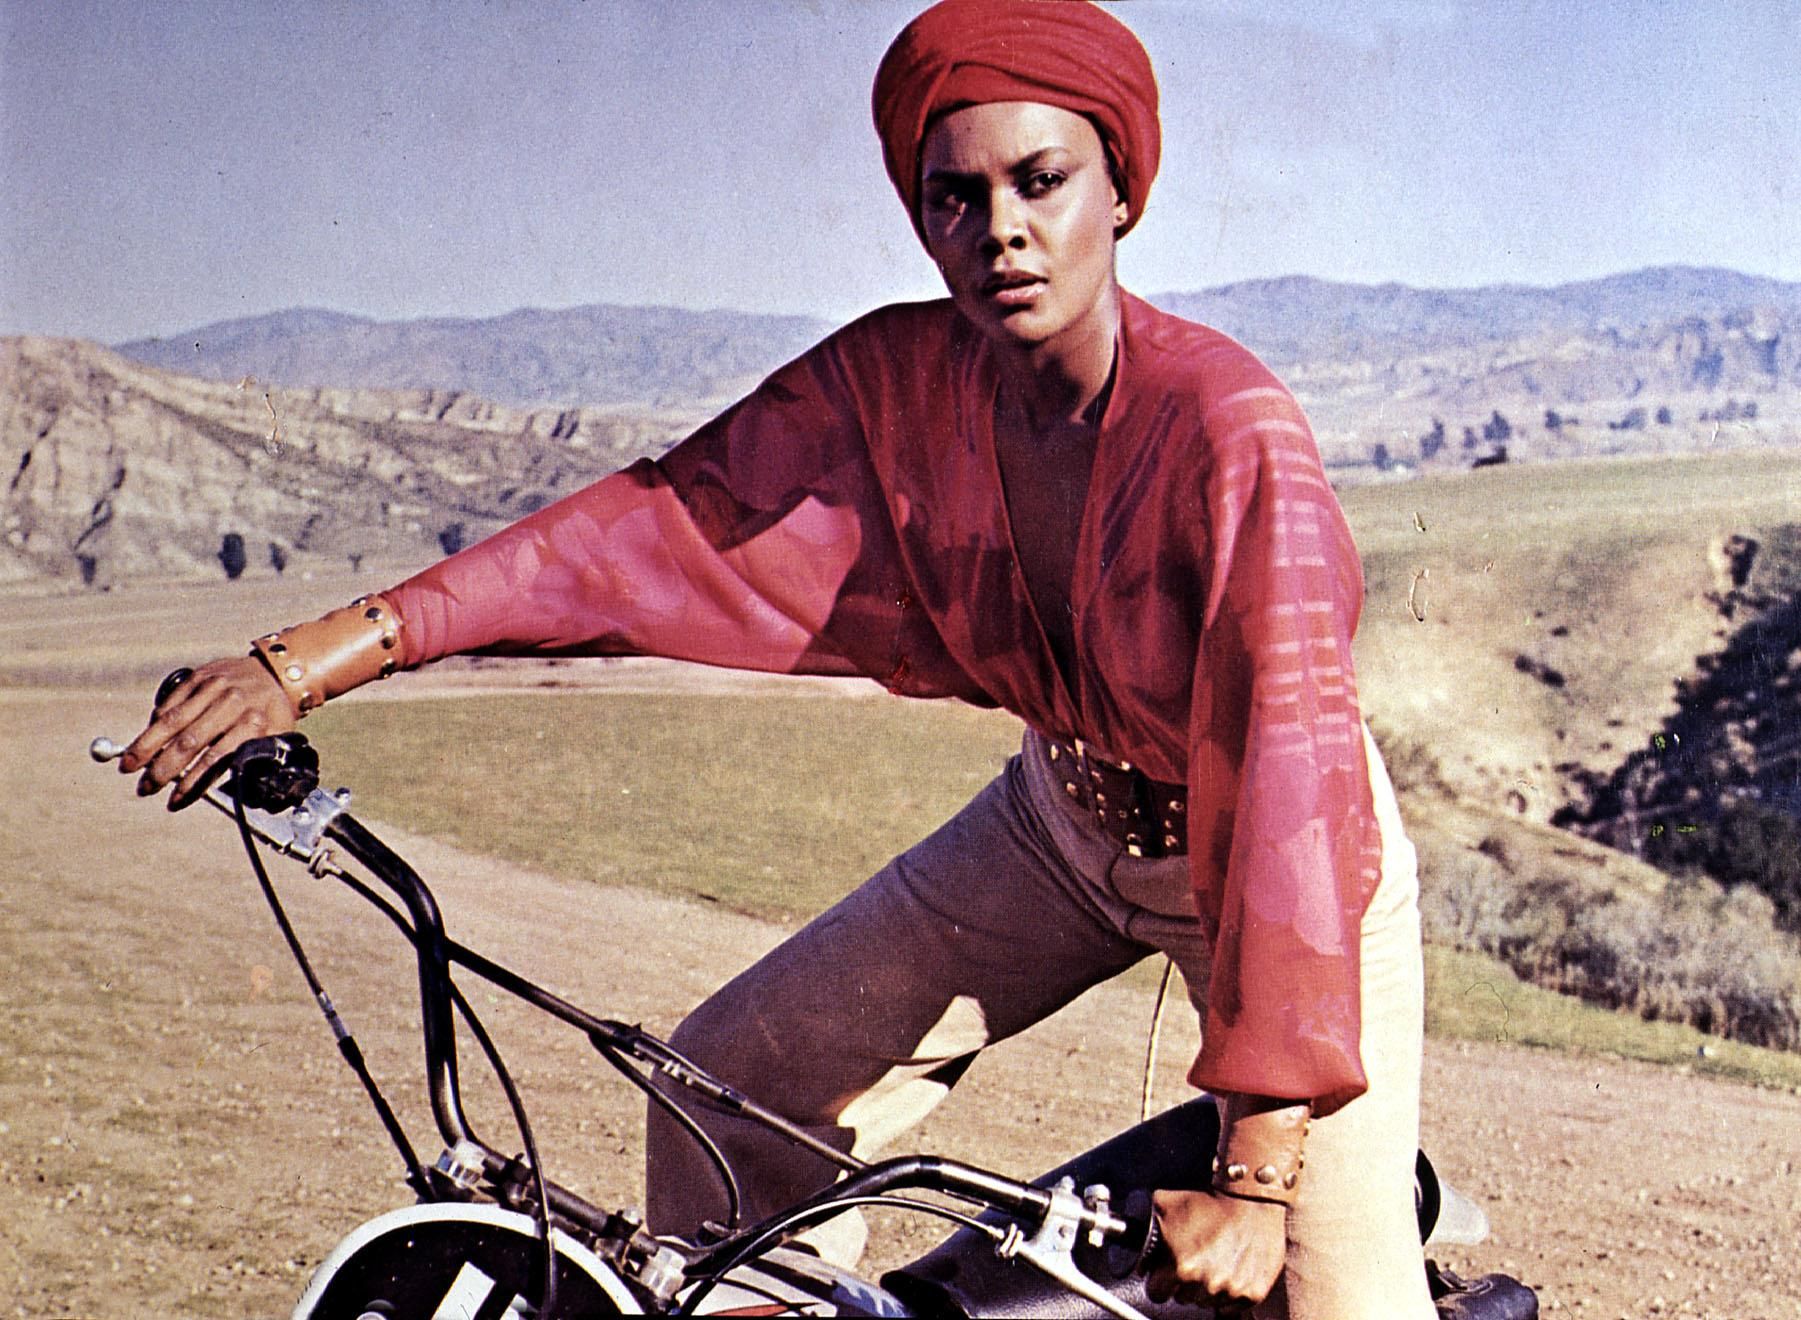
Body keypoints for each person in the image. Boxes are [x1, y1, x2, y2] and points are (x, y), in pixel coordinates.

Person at [121, 2, 1438, 1314]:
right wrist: (302, 664)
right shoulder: (890, 382)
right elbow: (643, 528)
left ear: (1120, 193)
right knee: (731, 1087)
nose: (1001, 232)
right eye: (953, 198)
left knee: (1331, 1302)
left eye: (1041, 182)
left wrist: (1260, 1175)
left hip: (1276, 862)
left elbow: (1286, 784)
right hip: (1056, 823)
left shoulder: (1224, 431)